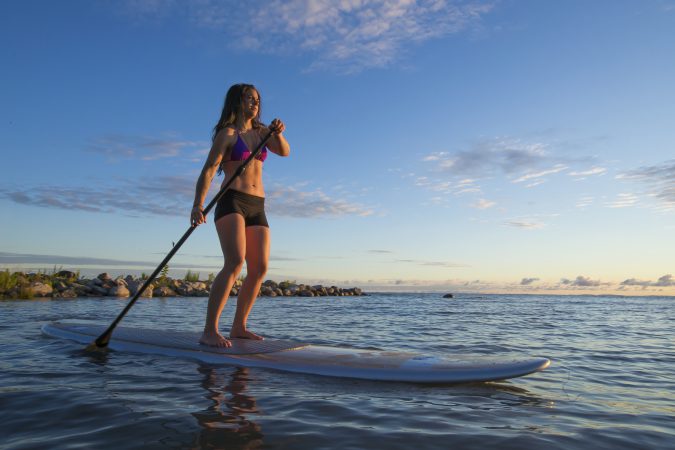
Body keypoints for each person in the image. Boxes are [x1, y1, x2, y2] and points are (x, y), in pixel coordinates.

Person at [191, 83, 290, 348]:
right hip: (231, 200)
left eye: (257, 99)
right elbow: (210, 170)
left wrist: (277, 132)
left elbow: (284, 151)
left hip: (258, 204)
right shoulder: (228, 134)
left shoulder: (262, 132)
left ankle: (239, 327)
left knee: (259, 268)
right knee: (235, 262)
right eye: (249, 98)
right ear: (237, 101)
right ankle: (210, 330)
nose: (255, 103)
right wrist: (197, 205)